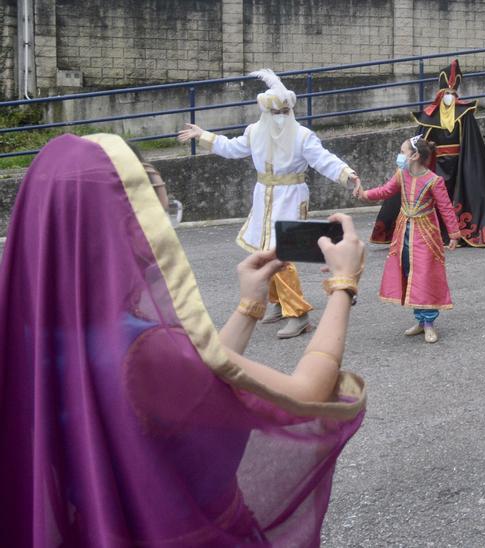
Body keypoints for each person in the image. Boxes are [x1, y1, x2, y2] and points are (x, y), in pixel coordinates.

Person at [0, 133, 367, 545]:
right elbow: (305, 394)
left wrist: (248, 306)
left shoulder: (35, 333)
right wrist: (343, 284)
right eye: (156, 200)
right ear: (129, 220)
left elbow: (194, 384)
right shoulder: (144, 347)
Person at [177, 68, 362, 339]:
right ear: (266, 112)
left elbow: (324, 159)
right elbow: (231, 148)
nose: (279, 119)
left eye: (283, 113)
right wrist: (203, 135)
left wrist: (348, 174)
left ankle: (298, 314)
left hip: (290, 197)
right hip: (264, 196)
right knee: (264, 252)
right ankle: (278, 303)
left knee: (282, 254)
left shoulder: (302, 136)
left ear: (289, 111)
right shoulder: (255, 131)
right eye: (274, 114)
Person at [372, 59, 485, 248]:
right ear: (440, 93)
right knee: (435, 198)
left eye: (451, 93)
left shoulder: (465, 113)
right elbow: (420, 142)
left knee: (456, 198)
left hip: (460, 164)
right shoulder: (430, 115)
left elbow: (472, 144)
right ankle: (432, 231)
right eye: (445, 93)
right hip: (435, 163)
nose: (449, 96)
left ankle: (458, 233)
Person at [358, 136, 461, 343]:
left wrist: (454, 233)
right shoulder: (401, 174)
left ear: (414, 156)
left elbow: (445, 207)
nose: (400, 155)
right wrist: (365, 194)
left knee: (425, 275)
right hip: (403, 232)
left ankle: (430, 322)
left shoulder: (434, 180)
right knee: (409, 273)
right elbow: (386, 191)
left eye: (403, 152)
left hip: (426, 234)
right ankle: (421, 321)